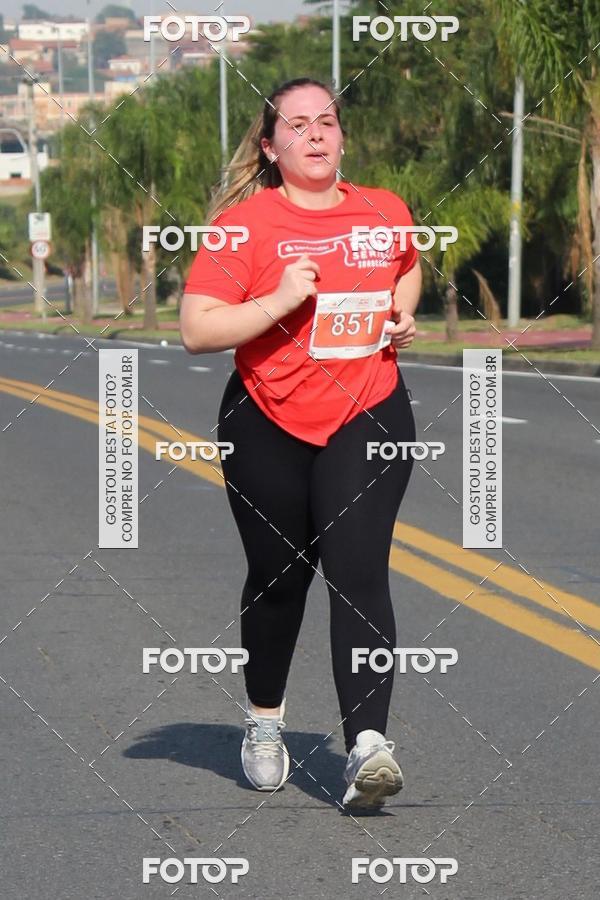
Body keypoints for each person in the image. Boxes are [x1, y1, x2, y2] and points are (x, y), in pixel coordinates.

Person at [180, 77, 422, 809]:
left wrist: (398, 318)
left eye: (326, 122)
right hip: (266, 418)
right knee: (280, 580)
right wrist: (280, 299)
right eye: (297, 125)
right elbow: (197, 329)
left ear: (342, 135)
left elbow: (405, 272)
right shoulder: (243, 226)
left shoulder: (384, 210)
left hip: (368, 409)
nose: (315, 135)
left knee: (358, 571)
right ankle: (264, 721)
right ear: (270, 144)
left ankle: (368, 748)